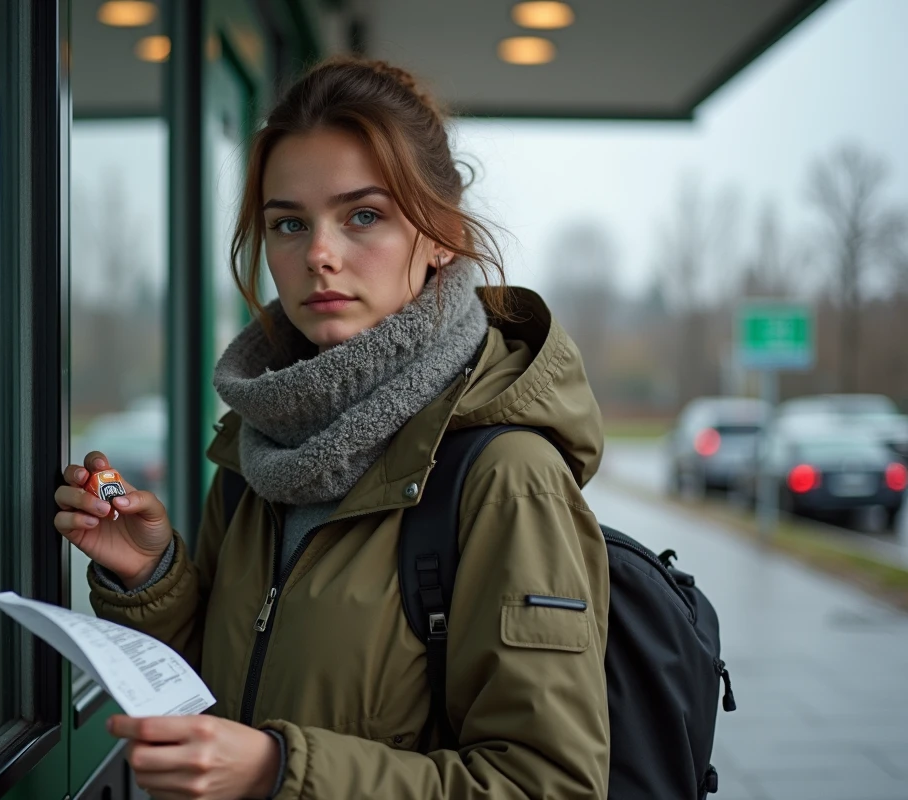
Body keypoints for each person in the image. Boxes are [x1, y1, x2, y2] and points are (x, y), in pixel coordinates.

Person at [55, 56, 610, 800]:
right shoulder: (258, 451)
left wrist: (279, 772)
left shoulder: (505, 477)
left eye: (364, 216)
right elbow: (226, 693)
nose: (318, 253)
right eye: (288, 223)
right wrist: (152, 578)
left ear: (441, 233)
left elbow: (551, 785)